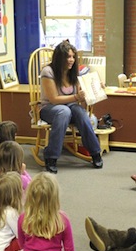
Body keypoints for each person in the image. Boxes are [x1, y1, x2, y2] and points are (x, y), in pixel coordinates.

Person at [0, 173, 74, 251]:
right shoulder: (63, 219)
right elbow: (69, 246)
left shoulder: (24, 217)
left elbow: (22, 242)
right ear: (54, 197)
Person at [38, 40, 103, 173]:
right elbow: (54, 99)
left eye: (73, 57)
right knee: (64, 111)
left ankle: (95, 152)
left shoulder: (73, 73)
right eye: (68, 57)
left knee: (79, 112)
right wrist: (76, 97)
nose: (71, 60)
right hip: (48, 108)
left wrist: (96, 88)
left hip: (69, 108)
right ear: (59, 58)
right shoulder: (48, 71)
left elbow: (83, 97)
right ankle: (51, 156)